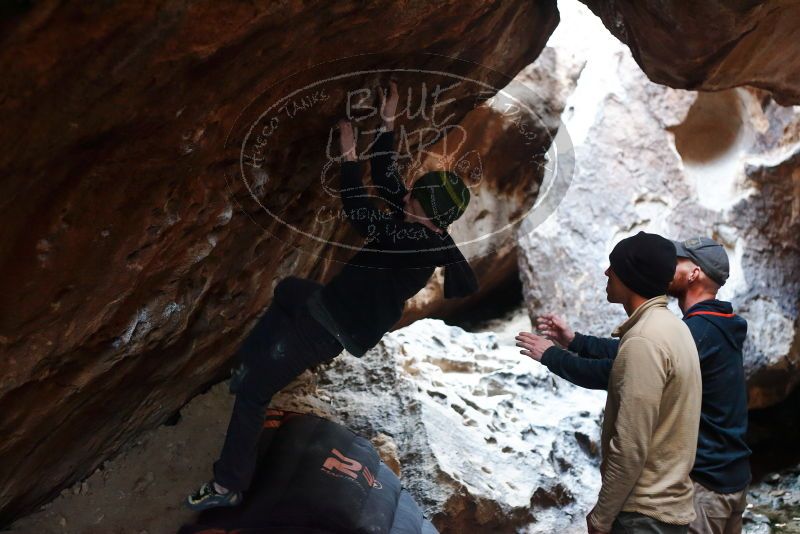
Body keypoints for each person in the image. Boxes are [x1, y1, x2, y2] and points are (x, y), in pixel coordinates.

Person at [186, 81, 478, 510]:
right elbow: (386, 178)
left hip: (331, 325)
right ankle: (252, 365)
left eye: (415, 194)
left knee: (253, 398)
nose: (408, 192)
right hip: (331, 303)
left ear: (426, 212)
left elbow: (361, 212)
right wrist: (387, 121)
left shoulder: (412, 244)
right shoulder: (426, 222)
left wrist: (347, 156)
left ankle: (228, 484)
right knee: (288, 291)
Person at [516, 237, 750, 534]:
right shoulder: (693, 327)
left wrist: (552, 356)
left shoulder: (695, 331)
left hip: (701, 482)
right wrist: (576, 341)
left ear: (694, 274)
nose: (668, 267)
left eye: (676, 262)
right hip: (724, 475)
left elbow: (621, 378)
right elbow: (630, 354)